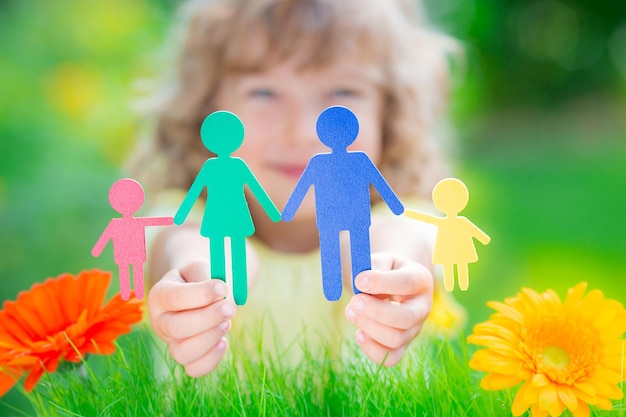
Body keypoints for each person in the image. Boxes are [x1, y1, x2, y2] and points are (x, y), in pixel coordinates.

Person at [133, 0, 467, 378]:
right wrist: (206, 275)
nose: (303, 130)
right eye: (264, 93)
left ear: (388, 112)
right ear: (206, 108)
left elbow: (395, 239)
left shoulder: (403, 220)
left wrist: (387, 271)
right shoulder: (184, 219)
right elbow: (186, 243)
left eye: (342, 91)